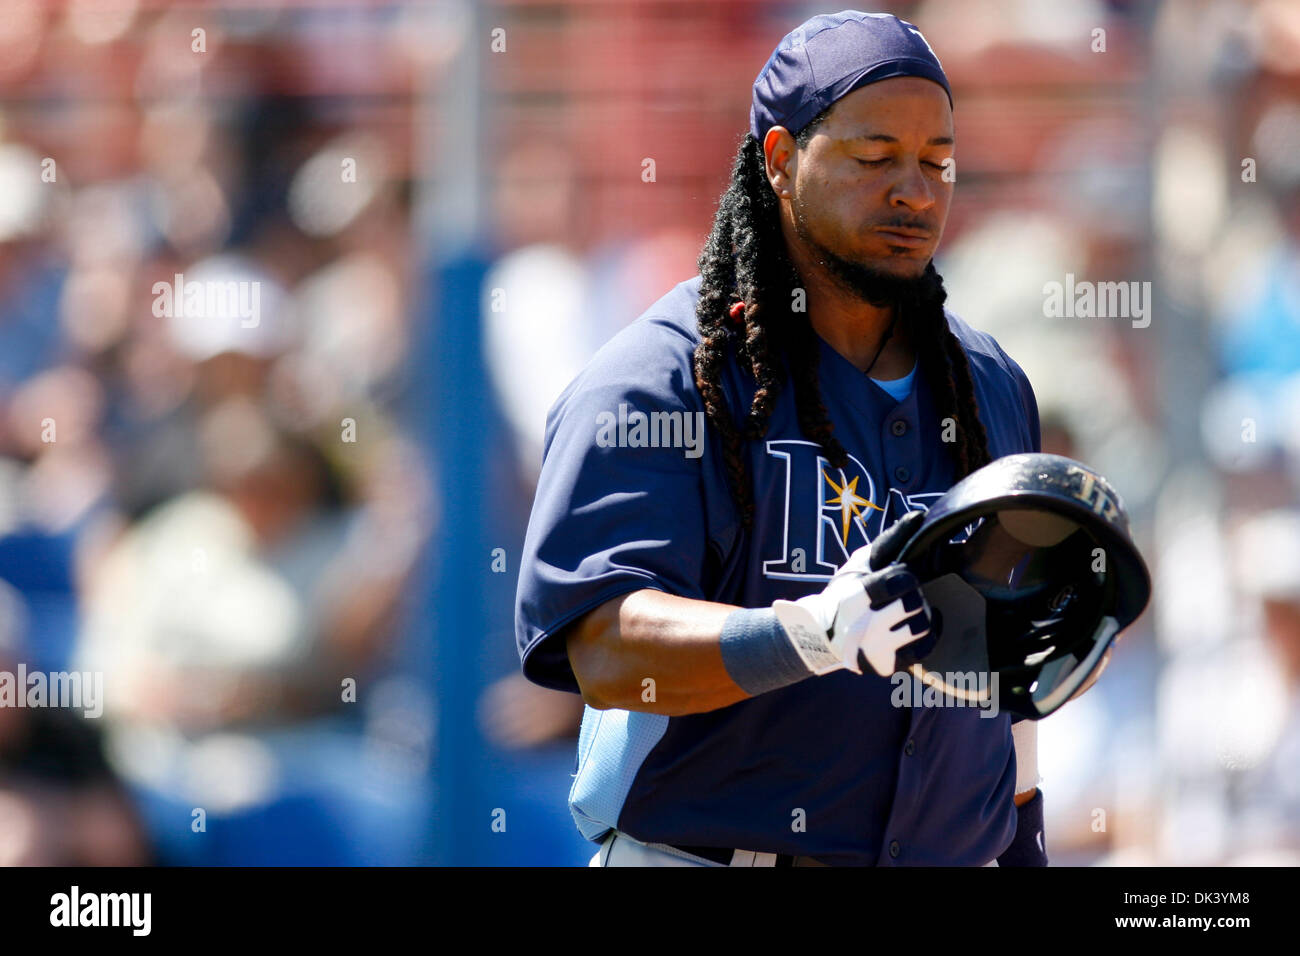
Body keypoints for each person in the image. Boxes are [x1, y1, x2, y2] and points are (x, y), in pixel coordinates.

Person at [515, 11, 1047, 866]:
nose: (914, 188)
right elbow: (607, 645)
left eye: (937, 161)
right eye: (875, 157)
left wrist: (1024, 845)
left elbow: (1002, 687)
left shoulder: (988, 384)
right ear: (779, 162)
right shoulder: (663, 376)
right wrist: (805, 638)